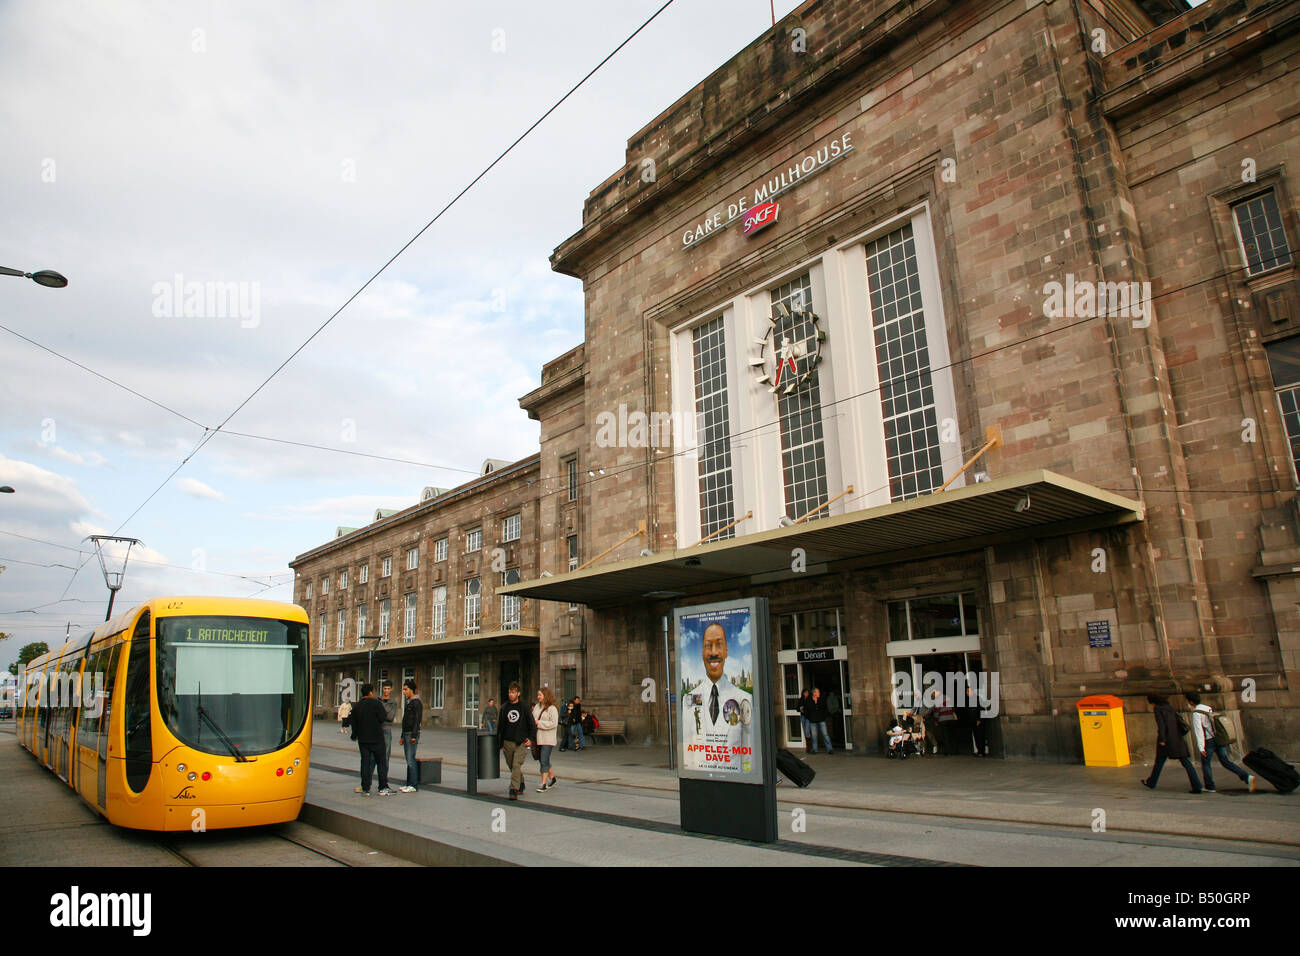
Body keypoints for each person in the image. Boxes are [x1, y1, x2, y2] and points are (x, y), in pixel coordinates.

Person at [680, 622, 753, 773]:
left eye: (719, 644)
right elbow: (687, 751)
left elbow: (748, 755)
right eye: (708, 645)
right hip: (701, 786)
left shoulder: (744, 699)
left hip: (733, 785)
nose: (713, 652)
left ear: (726, 651)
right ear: (702, 652)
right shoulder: (689, 699)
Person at [1187, 692, 1255, 793]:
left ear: (1191, 702)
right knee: (1225, 761)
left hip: (1209, 741)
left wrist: (1201, 747)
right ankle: (1246, 776)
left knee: (1206, 764)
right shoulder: (1207, 708)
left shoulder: (1197, 713)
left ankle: (1210, 786)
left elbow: (1199, 731)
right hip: (1219, 739)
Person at [1141, 694, 1202, 794]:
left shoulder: (1158, 709)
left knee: (1159, 762)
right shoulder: (1169, 707)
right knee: (1186, 762)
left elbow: (1161, 725)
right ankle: (1197, 785)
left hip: (1167, 740)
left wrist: (1162, 739)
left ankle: (1152, 782)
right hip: (1177, 738)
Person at [343, 683, 391, 795]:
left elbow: (353, 722)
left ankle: (365, 788)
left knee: (365, 762)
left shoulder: (357, 706)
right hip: (377, 738)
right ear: (370, 692)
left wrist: (355, 735)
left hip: (363, 740)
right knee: (381, 763)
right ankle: (382, 786)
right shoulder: (376, 703)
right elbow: (382, 717)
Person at [497, 683, 536, 800]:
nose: (511, 694)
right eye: (509, 692)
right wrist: (499, 743)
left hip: (520, 742)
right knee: (511, 766)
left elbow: (532, 724)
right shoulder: (504, 708)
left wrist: (531, 739)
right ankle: (521, 782)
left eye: (513, 692)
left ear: (518, 694)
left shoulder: (524, 707)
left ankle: (513, 789)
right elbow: (500, 727)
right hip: (507, 742)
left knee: (516, 764)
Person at [533, 688, 560, 792]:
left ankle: (543, 784)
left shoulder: (552, 708)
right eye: (538, 695)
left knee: (544, 760)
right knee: (543, 759)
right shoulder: (536, 707)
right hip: (538, 738)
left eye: (540, 695)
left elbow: (554, 723)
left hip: (548, 739)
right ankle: (552, 778)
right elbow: (532, 719)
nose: (538, 697)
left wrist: (539, 723)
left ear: (546, 695)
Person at [398, 679, 423, 793]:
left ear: (411, 690)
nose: (404, 691)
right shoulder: (409, 702)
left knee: (411, 759)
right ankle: (408, 783)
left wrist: (413, 735)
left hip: (412, 734)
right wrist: (402, 736)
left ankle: (413, 784)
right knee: (408, 759)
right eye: (403, 689)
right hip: (406, 733)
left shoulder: (416, 702)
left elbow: (417, 720)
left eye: (405, 689)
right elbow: (405, 720)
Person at [806, 687, 833, 755]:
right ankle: (815, 749)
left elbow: (825, 709)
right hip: (813, 721)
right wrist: (810, 718)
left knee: (825, 734)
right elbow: (807, 710)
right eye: (818, 692)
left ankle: (829, 749)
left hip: (821, 720)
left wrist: (824, 716)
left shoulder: (821, 699)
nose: (819, 693)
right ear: (814, 693)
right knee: (814, 736)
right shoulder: (809, 700)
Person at [380, 681, 398, 772]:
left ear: (391, 689)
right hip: (377, 730)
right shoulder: (378, 700)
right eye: (385, 689)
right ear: (382, 689)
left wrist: (381, 713)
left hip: (387, 730)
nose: (386, 691)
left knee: (386, 755)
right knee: (373, 757)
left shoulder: (393, 702)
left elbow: (390, 717)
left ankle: (384, 779)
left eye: (388, 689)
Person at [796, 689, 813, 754]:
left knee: (807, 730)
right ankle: (808, 747)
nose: (806, 694)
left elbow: (810, 708)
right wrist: (800, 709)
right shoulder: (801, 699)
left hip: (808, 717)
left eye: (807, 692)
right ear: (803, 693)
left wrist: (805, 709)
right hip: (803, 716)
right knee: (805, 732)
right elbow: (797, 708)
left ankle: (809, 746)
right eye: (805, 692)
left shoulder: (809, 699)